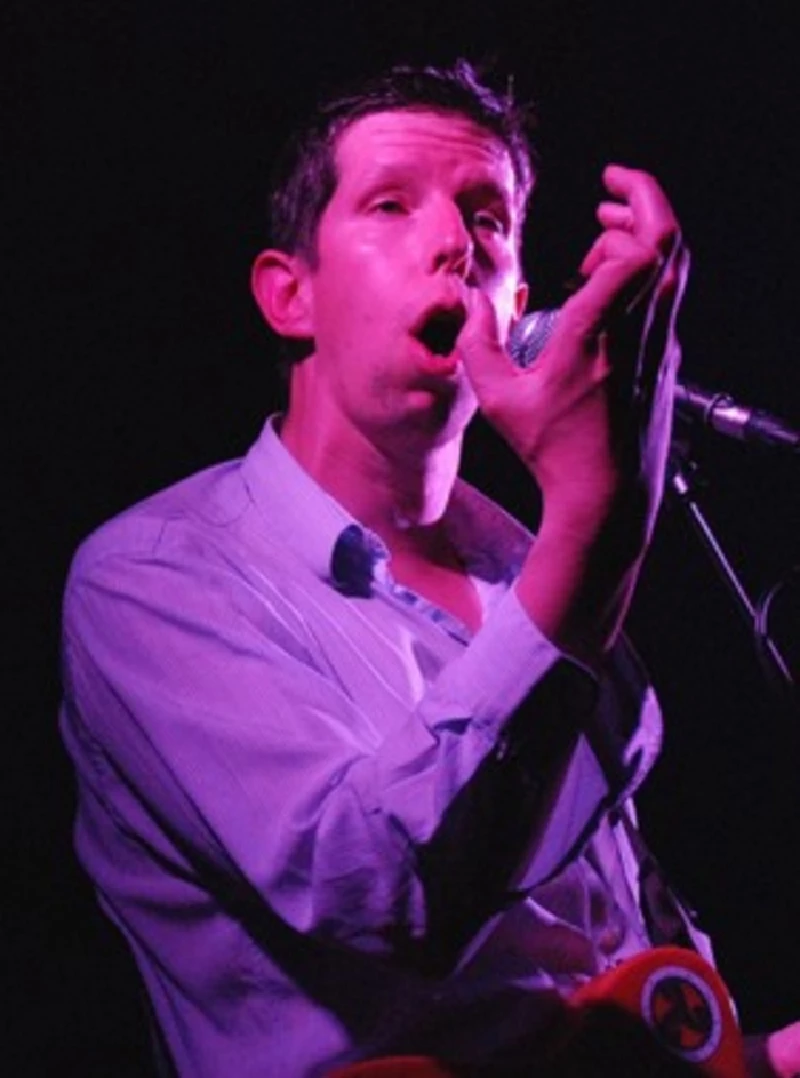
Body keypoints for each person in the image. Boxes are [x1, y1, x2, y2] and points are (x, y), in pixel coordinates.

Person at [59, 60, 799, 1077]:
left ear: (520, 304)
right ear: (289, 295)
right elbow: (384, 898)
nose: (454, 244)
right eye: (391, 205)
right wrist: (595, 522)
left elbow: (616, 1003)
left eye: (488, 220)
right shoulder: (153, 578)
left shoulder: (529, 574)